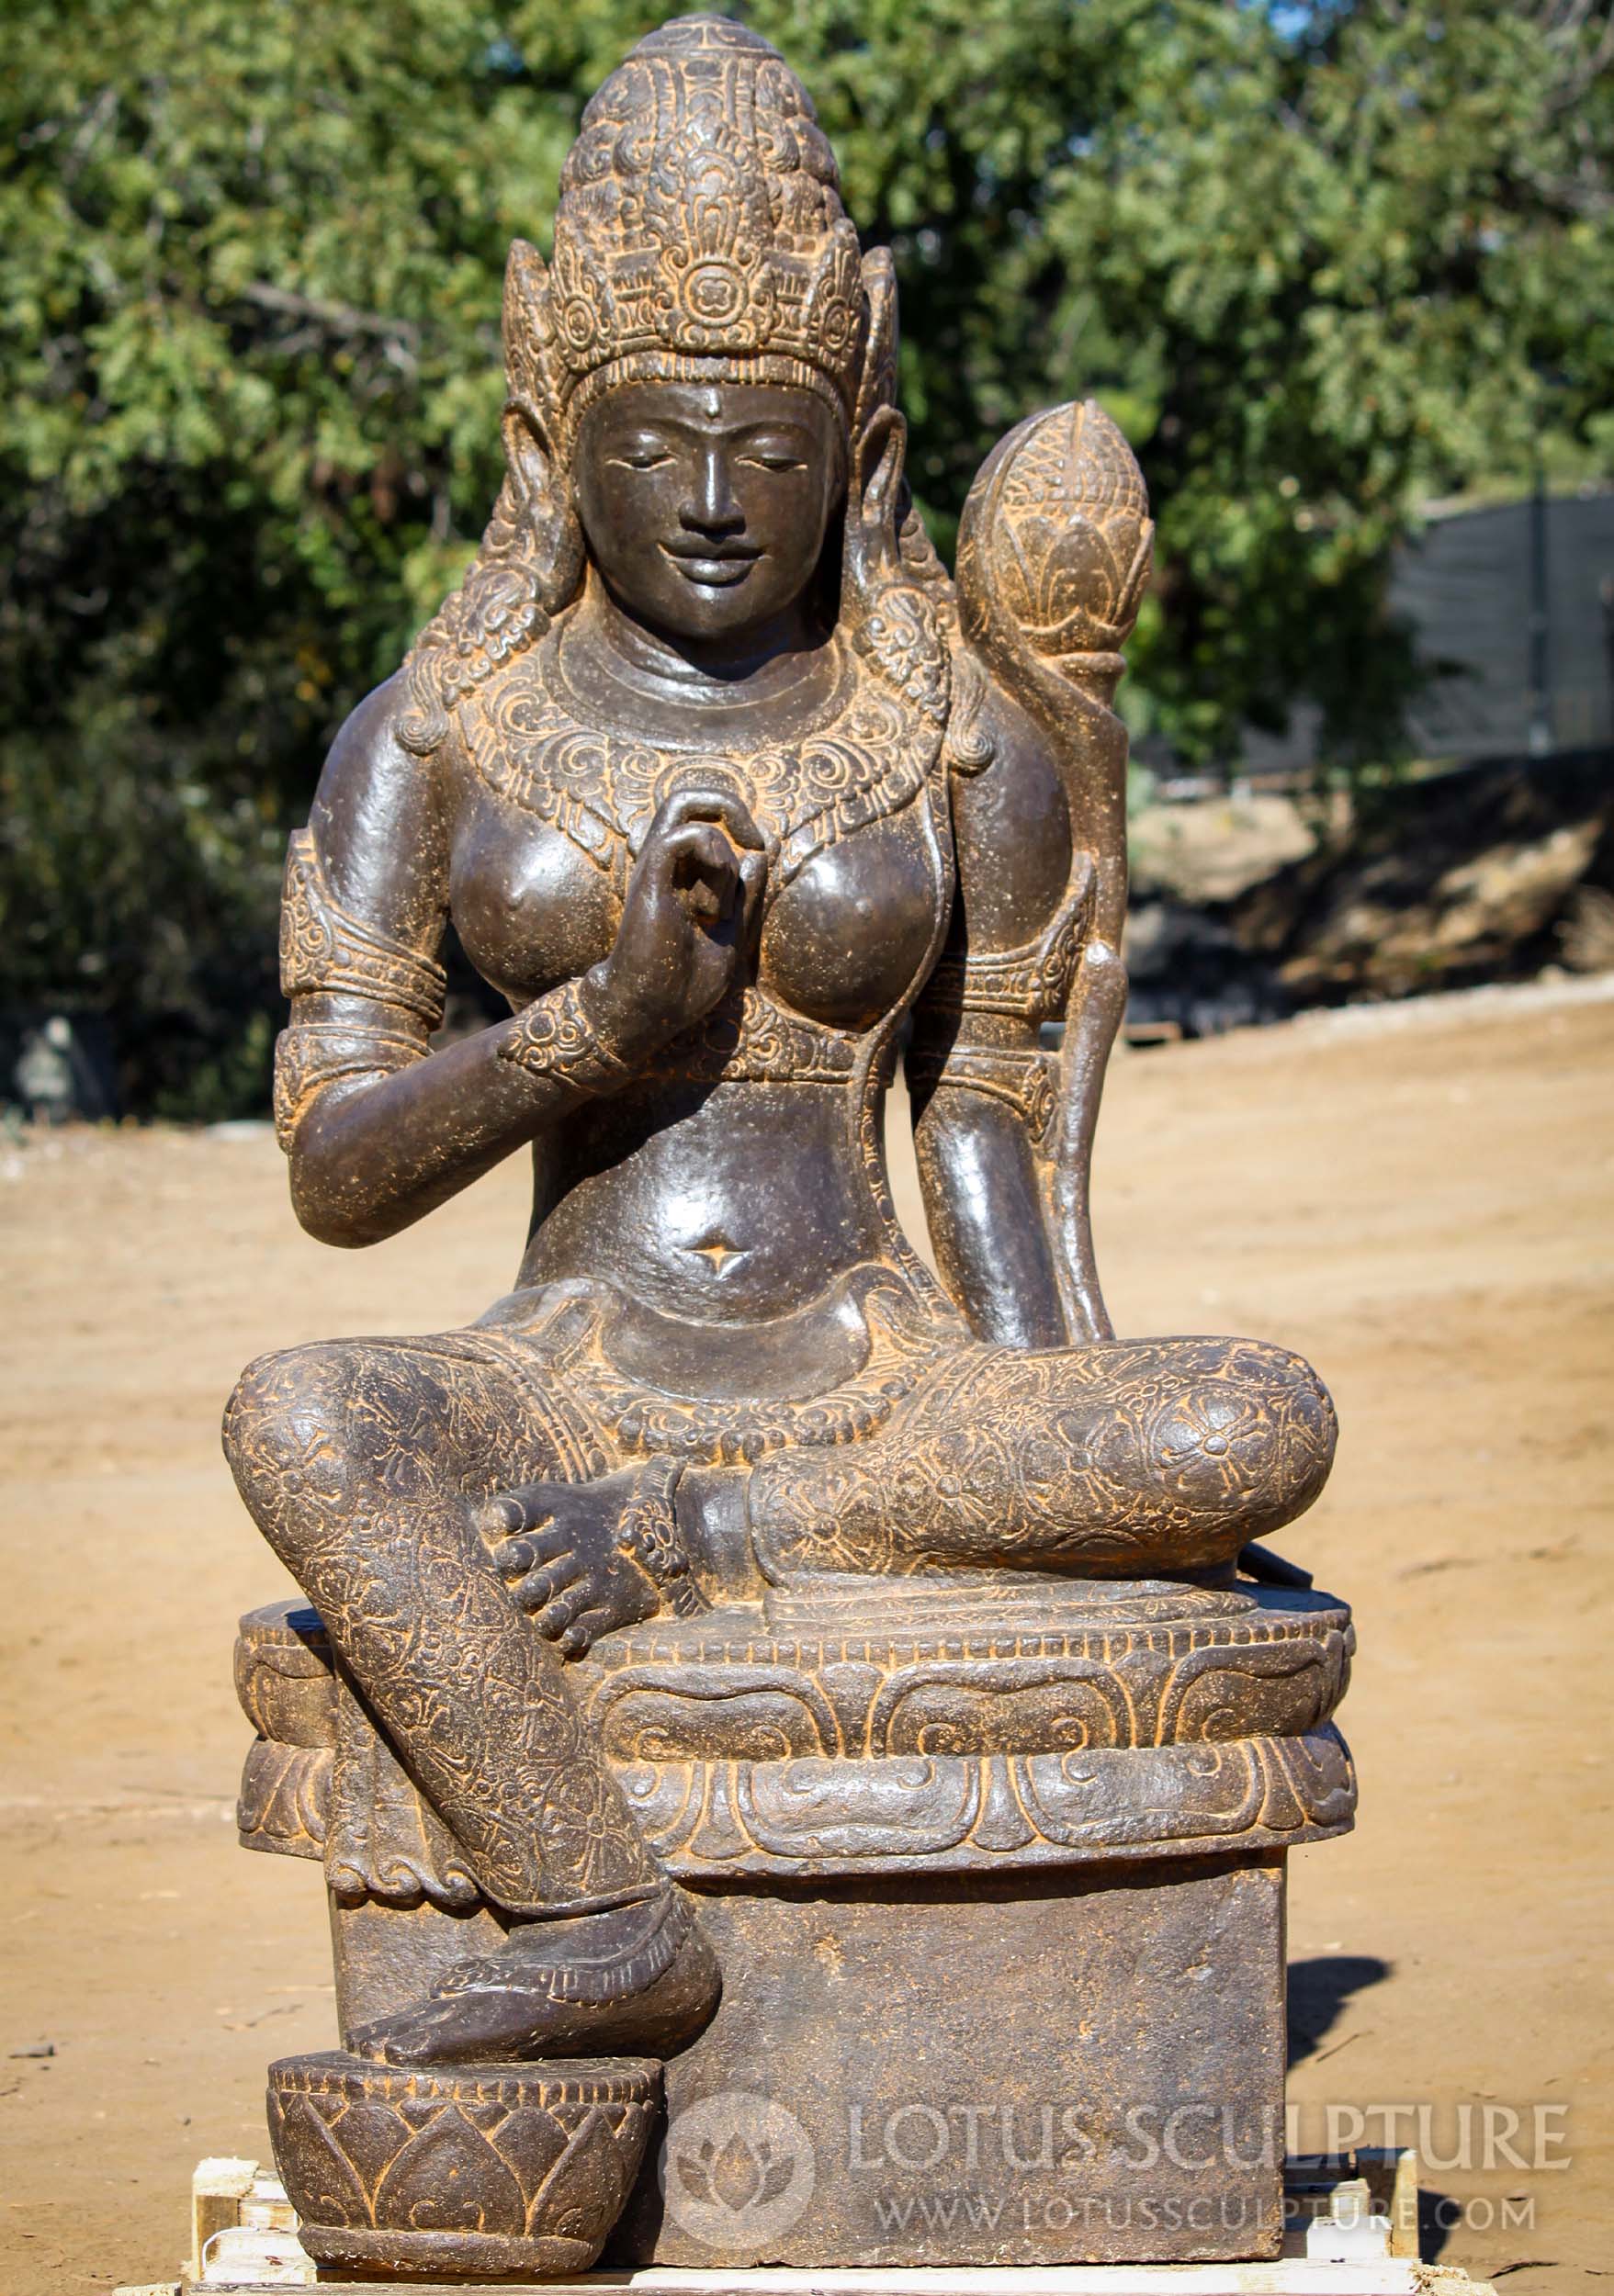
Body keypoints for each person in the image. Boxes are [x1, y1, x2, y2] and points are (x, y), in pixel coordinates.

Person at [224, 15, 1335, 2070]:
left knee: (1249, 1421)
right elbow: (332, 1167)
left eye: (777, 445)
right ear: (562, 446)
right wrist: (592, 1028)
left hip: (869, 1382)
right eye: (657, 443)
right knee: (299, 1416)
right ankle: (594, 1902)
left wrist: (1060, 1439)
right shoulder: (435, 732)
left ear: (866, 455)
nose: (721, 502)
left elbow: (985, 1120)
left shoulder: (950, 734)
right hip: (561, 1370)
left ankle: (709, 1545)